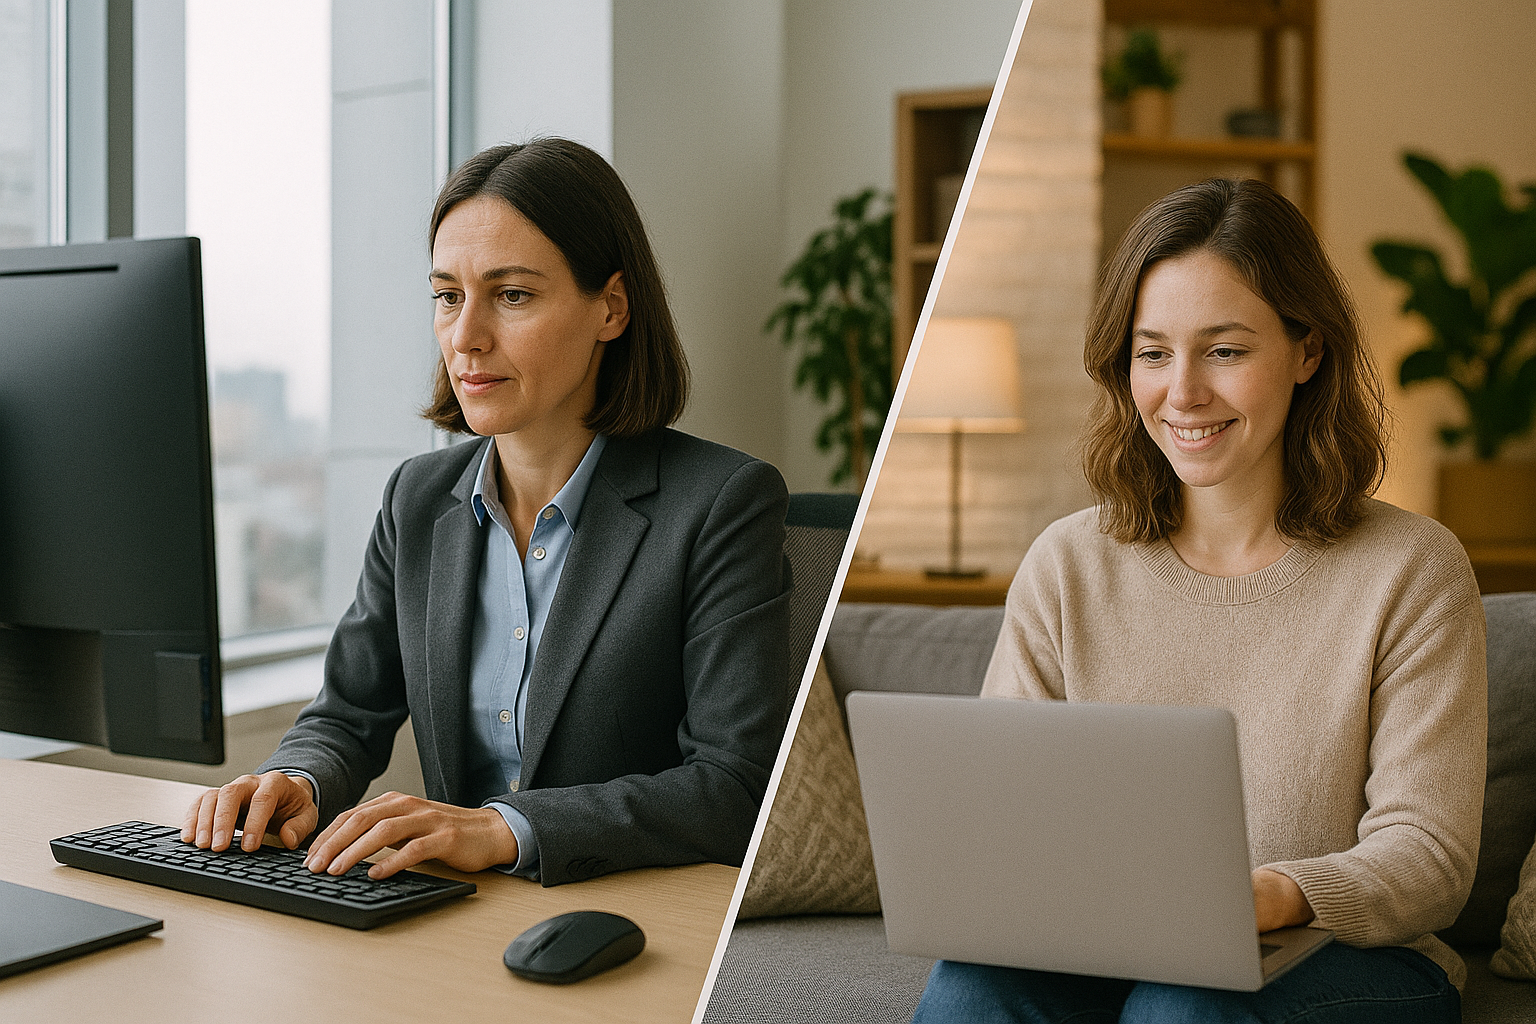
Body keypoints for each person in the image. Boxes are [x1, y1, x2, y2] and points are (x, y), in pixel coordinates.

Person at [911, 178, 1486, 1023]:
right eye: (1152, 352)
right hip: (1113, 951)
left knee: (1184, 1004)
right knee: (969, 990)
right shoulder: (1068, 565)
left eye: (1224, 350)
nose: (1182, 393)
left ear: (1307, 351)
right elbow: (1009, 831)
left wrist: (1274, 894)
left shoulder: (1411, 569)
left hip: (1354, 958)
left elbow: (1428, 856)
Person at [182, 138, 793, 887]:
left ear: (611, 307)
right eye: (447, 295)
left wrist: (504, 828)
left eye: (512, 295)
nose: (465, 336)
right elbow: (347, 714)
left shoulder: (721, 503)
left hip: (624, 916)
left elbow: (734, 784)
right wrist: (295, 781)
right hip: (452, 917)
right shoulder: (416, 500)